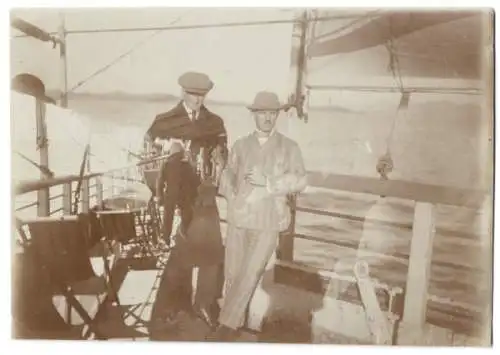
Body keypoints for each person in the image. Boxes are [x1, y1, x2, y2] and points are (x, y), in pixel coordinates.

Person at [210, 91, 307, 341]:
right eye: (262, 113)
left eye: (272, 113)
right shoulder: (241, 145)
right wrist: (231, 195)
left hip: (268, 222)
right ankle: (234, 326)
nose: (267, 118)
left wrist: (270, 183)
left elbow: (300, 180)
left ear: (277, 116)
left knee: (252, 273)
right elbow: (228, 174)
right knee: (232, 274)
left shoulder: (289, 147)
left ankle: (225, 328)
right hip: (239, 219)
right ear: (254, 115)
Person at [145, 71, 228, 329]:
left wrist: (219, 160)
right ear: (183, 92)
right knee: (177, 252)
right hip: (175, 200)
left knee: (211, 250)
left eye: (202, 95)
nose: (197, 99)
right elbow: (147, 161)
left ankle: (204, 303)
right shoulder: (163, 121)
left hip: (204, 197)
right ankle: (174, 306)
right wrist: (159, 188)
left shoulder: (215, 122)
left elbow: (224, 155)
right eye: (193, 94)